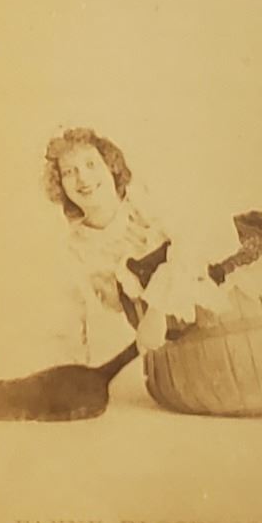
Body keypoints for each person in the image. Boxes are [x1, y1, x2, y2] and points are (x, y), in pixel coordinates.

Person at [39, 127, 173, 365]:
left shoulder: (147, 208)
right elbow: (69, 333)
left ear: (111, 166)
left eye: (91, 164)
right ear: (61, 186)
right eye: (69, 172)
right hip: (150, 361)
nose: (83, 179)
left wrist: (157, 307)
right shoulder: (73, 250)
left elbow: (197, 251)